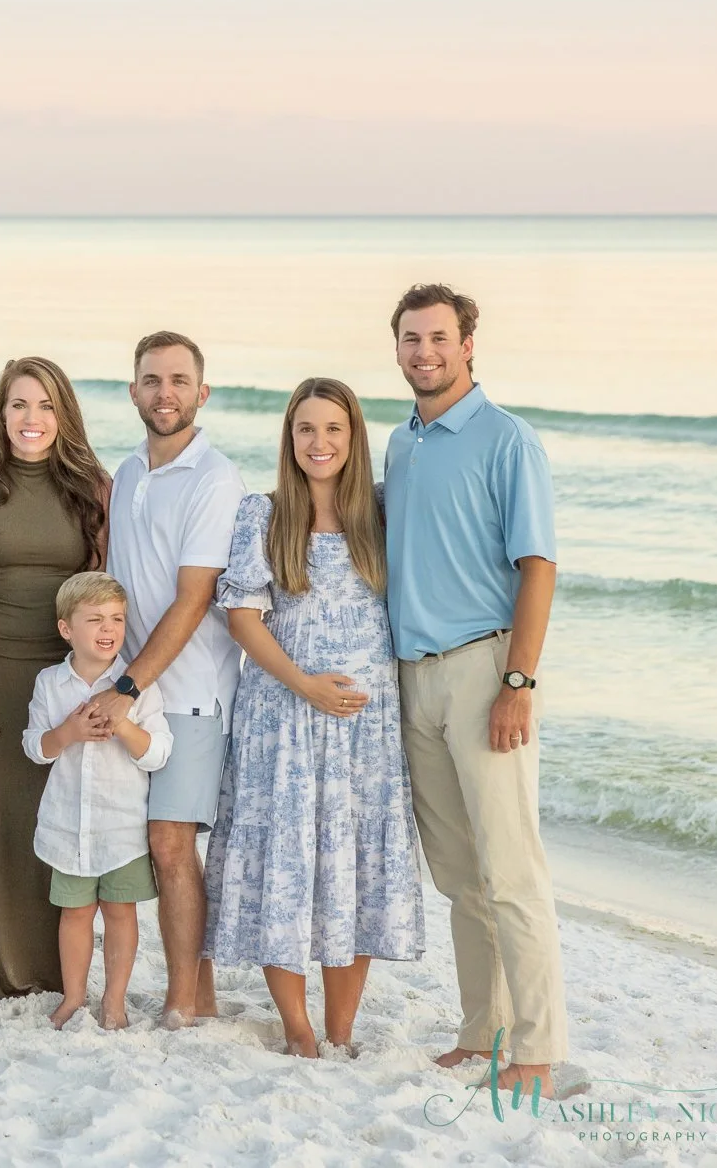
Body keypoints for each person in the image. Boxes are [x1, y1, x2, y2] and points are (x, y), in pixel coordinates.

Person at [204, 378, 424, 1057]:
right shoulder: (261, 515)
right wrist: (305, 685)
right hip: (285, 718)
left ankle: (342, 1029)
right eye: (306, 429)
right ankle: (298, 1029)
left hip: (367, 728)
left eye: (334, 429)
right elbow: (241, 615)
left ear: (354, 438)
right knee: (286, 863)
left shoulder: (384, 515)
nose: (319, 442)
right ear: (289, 438)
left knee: (353, 869)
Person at [385, 283, 568, 1095]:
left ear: (467, 346)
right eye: (411, 339)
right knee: (459, 877)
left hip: (484, 670)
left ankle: (538, 1048)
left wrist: (518, 683)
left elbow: (539, 567)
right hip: (411, 678)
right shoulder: (401, 443)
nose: (424, 352)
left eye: (438, 338)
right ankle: (480, 1031)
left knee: (514, 872)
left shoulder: (508, 440)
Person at [0, 356, 108, 998]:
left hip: (64, 673)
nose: (30, 419)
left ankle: (56, 970)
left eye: (44, 406)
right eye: (18, 405)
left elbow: (103, 594)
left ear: (63, 413)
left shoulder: (94, 485)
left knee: (62, 815)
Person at [96, 331, 245, 1028]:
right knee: (156, 847)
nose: (166, 394)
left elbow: (194, 599)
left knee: (172, 846)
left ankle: (184, 1000)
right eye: (152, 381)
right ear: (134, 392)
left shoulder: (216, 480)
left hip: (188, 695)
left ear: (201, 393)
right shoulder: (127, 474)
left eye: (179, 381)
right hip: (137, 693)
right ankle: (200, 991)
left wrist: (128, 684)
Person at [25, 572, 172, 1030]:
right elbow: (35, 747)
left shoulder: (139, 685)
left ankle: (114, 1000)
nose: (108, 629)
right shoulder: (50, 683)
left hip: (121, 827)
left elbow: (159, 753)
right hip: (68, 826)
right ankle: (72, 998)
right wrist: (68, 733)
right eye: (95, 620)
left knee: (120, 913)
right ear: (67, 629)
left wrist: (123, 722)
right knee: (75, 914)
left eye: (116, 619)